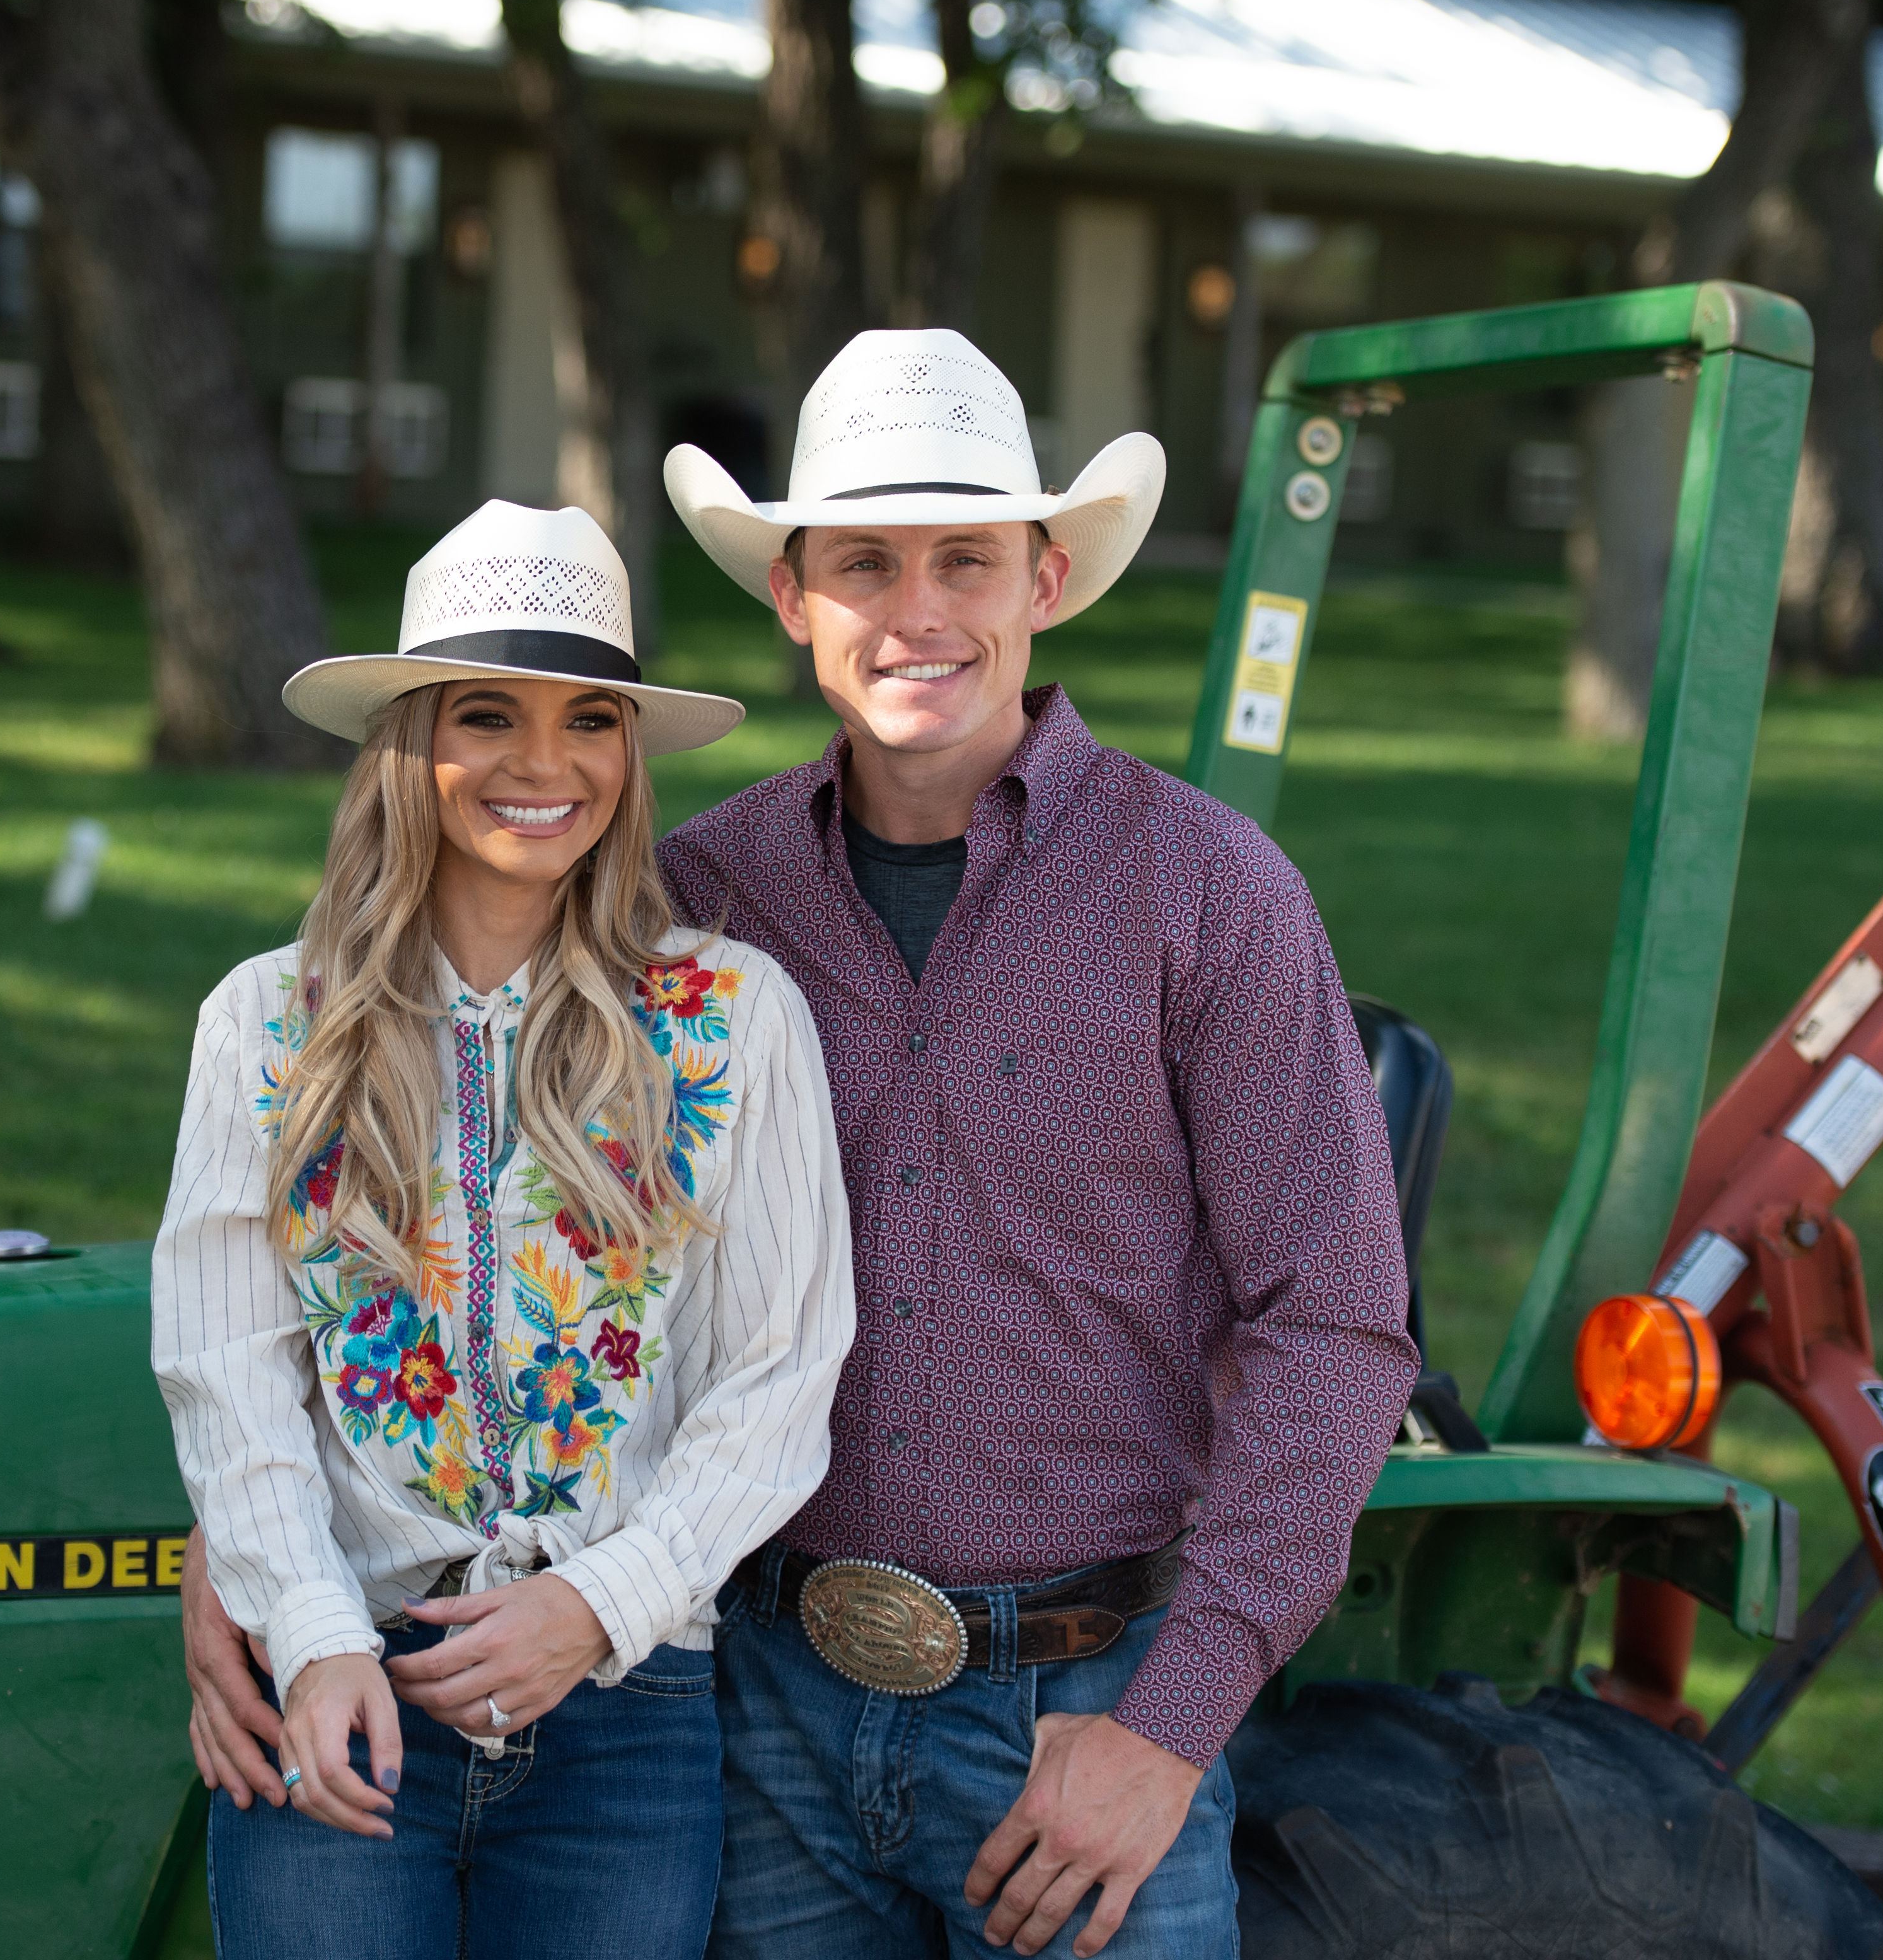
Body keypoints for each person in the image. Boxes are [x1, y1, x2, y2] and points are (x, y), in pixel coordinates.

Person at [185, 334, 1415, 1957]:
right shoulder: (688, 896)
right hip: (755, 1706)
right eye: (865, 563)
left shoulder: (1207, 892)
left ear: (1045, 578)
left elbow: (1331, 1323)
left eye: (965, 558)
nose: (918, 610)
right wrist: (254, 1554)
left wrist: (1169, 1726)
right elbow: (430, 1189)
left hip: (1077, 1709)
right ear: (791, 596)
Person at [151, 499, 858, 1960]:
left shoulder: (725, 1018)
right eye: (486, 714)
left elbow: (779, 1375)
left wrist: (600, 1604)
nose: (546, 765)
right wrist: (310, 1627)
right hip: (352, 1679)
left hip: (620, 1702)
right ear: (407, 744)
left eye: (591, 719)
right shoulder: (270, 1023)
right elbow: (229, 1372)